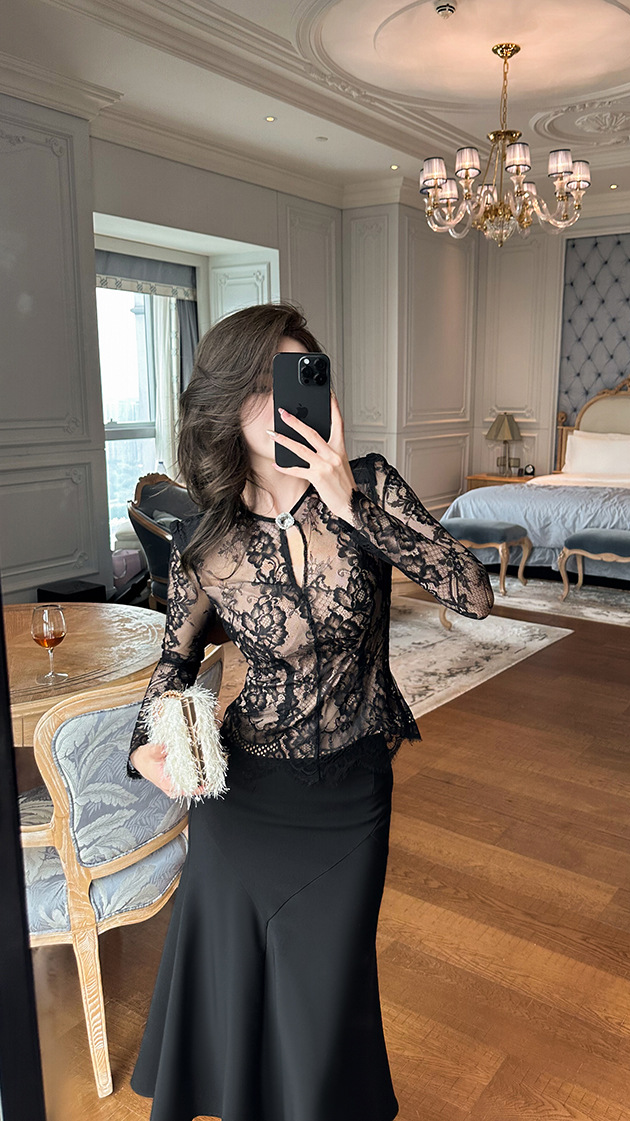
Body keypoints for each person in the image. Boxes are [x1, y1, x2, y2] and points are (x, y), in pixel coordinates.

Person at [127, 303, 494, 1121]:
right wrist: (147, 746)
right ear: (226, 406)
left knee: (325, 994)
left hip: (351, 789)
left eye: (296, 378)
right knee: (247, 990)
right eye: (259, 387)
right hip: (244, 796)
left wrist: (352, 504)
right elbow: (174, 666)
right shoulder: (208, 541)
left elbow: (474, 593)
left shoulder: (371, 484)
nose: (283, 403)